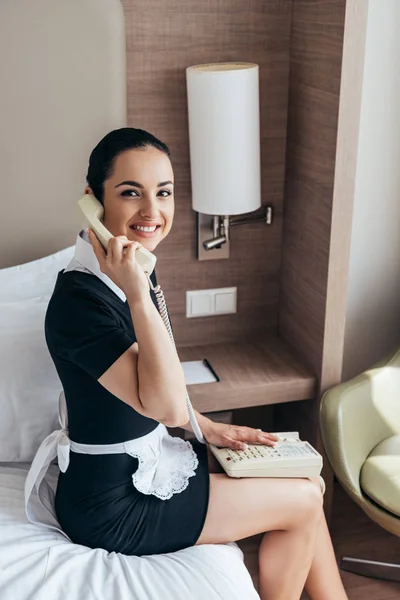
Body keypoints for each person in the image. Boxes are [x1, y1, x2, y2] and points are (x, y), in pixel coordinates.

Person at [41, 128, 348, 600]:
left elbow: (147, 387)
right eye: (130, 193)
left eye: (163, 193)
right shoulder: (81, 301)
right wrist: (140, 294)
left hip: (143, 470)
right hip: (111, 504)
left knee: (306, 481)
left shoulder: (131, 265)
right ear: (93, 202)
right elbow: (163, 405)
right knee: (305, 500)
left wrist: (205, 425)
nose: (152, 212)